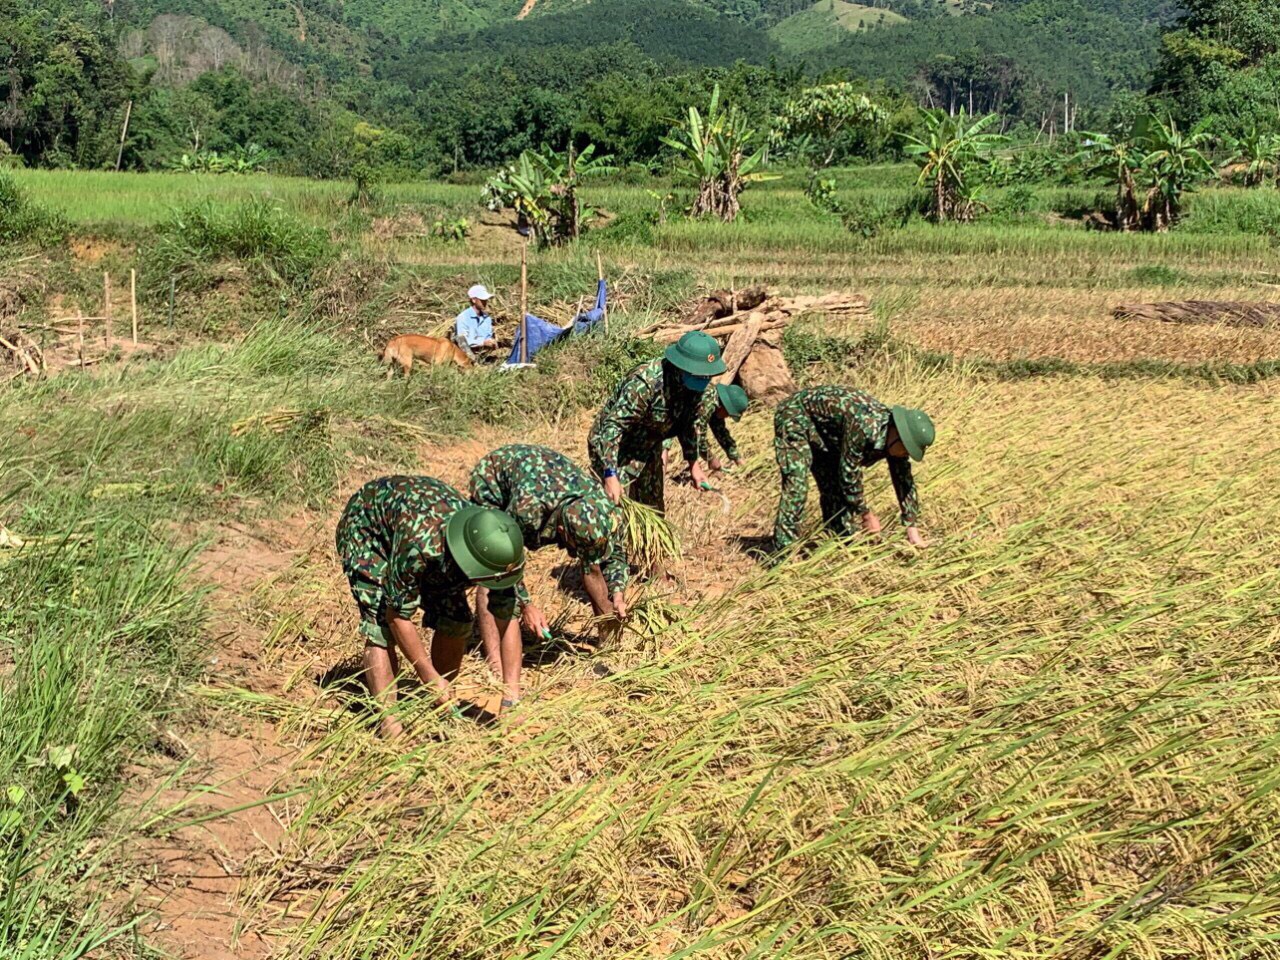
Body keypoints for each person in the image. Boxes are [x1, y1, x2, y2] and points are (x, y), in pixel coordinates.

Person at [335, 476, 525, 736]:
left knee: (457, 619)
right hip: (369, 530)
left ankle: (439, 708)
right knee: (380, 626)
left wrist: (511, 697)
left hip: (433, 539)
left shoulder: (501, 554)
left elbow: (507, 616)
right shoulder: (421, 545)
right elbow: (396, 615)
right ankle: (390, 725)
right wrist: (428, 676)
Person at [469, 444, 630, 706]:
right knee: (492, 577)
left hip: (545, 479)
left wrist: (618, 594)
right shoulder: (528, 511)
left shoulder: (604, 509)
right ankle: (496, 665)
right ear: (561, 531)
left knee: (592, 564)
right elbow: (504, 558)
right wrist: (526, 604)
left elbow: (614, 554)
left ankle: (608, 643)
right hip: (494, 481)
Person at [772, 386, 935, 555]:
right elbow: (849, 474)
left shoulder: (894, 440)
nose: (905, 455)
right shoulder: (865, 426)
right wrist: (865, 514)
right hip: (795, 415)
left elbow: (904, 480)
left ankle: (837, 543)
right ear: (898, 435)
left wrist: (911, 524)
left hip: (827, 432)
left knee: (834, 488)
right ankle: (783, 553)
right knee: (796, 486)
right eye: (906, 449)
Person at [588, 330, 727, 512]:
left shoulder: (694, 389)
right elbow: (613, 427)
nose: (705, 380)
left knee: (652, 510)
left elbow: (687, 425)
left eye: (707, 376)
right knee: (616, 509)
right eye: (700, 375)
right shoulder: (646, 382)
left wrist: (694, 465)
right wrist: (610, 474)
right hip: (616, 447)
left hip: (649, 446)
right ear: (682, 366)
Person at [697, 383, 750, 473]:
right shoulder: (708, 402)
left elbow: (721, 432)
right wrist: (710, 458)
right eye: (728, 414)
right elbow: (697, 434)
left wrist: (737, 458)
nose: (727, 417)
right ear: (725, 406)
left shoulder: (718, 406)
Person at [455, 284, 499, 361]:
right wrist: (482, 342)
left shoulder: (487, 318)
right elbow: (463, 341)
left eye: (485, 300)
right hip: (466, 356)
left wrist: (491, 342)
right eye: (482, 300)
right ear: (474, 300)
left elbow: (488, 336)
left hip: (483, 355)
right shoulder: (463, 317)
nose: (485, 302)